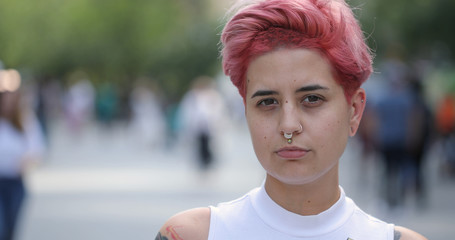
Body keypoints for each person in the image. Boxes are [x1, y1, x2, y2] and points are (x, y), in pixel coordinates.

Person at [157, 0, 427, 239]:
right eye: (267, 102)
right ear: (246, 111)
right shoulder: (191, 235)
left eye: (312, 99)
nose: (288, 126)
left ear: (354, 111)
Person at [0, 89, 46, 240]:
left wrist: (26, 161)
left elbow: (37, 149)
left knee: (10, 227)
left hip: (15, 182)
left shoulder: (25, 121)